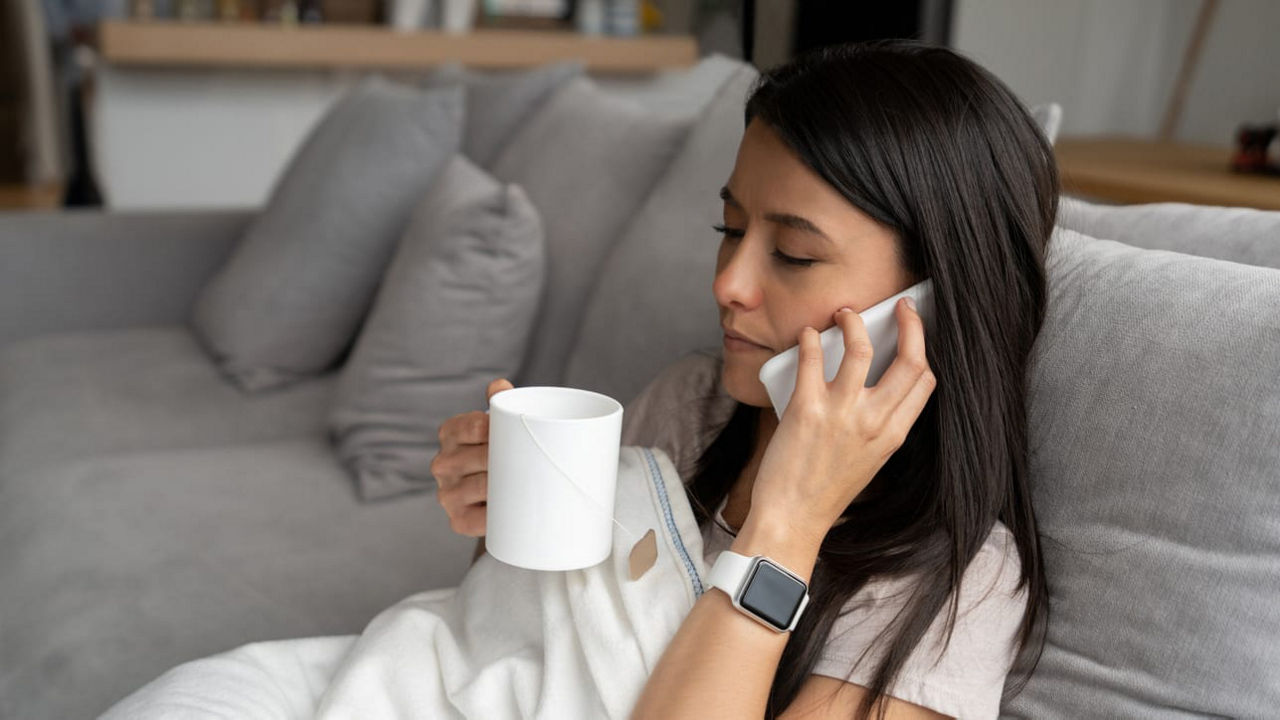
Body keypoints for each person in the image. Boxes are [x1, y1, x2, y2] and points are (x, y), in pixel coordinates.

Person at [431, 38, 1056, 720]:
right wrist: (507, 516)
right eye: (729, 228)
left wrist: (787, 524)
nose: (727, 282)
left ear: (930, 302)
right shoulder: (689, 408)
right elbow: (521, 648)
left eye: (793, 254)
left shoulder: (954, 586)